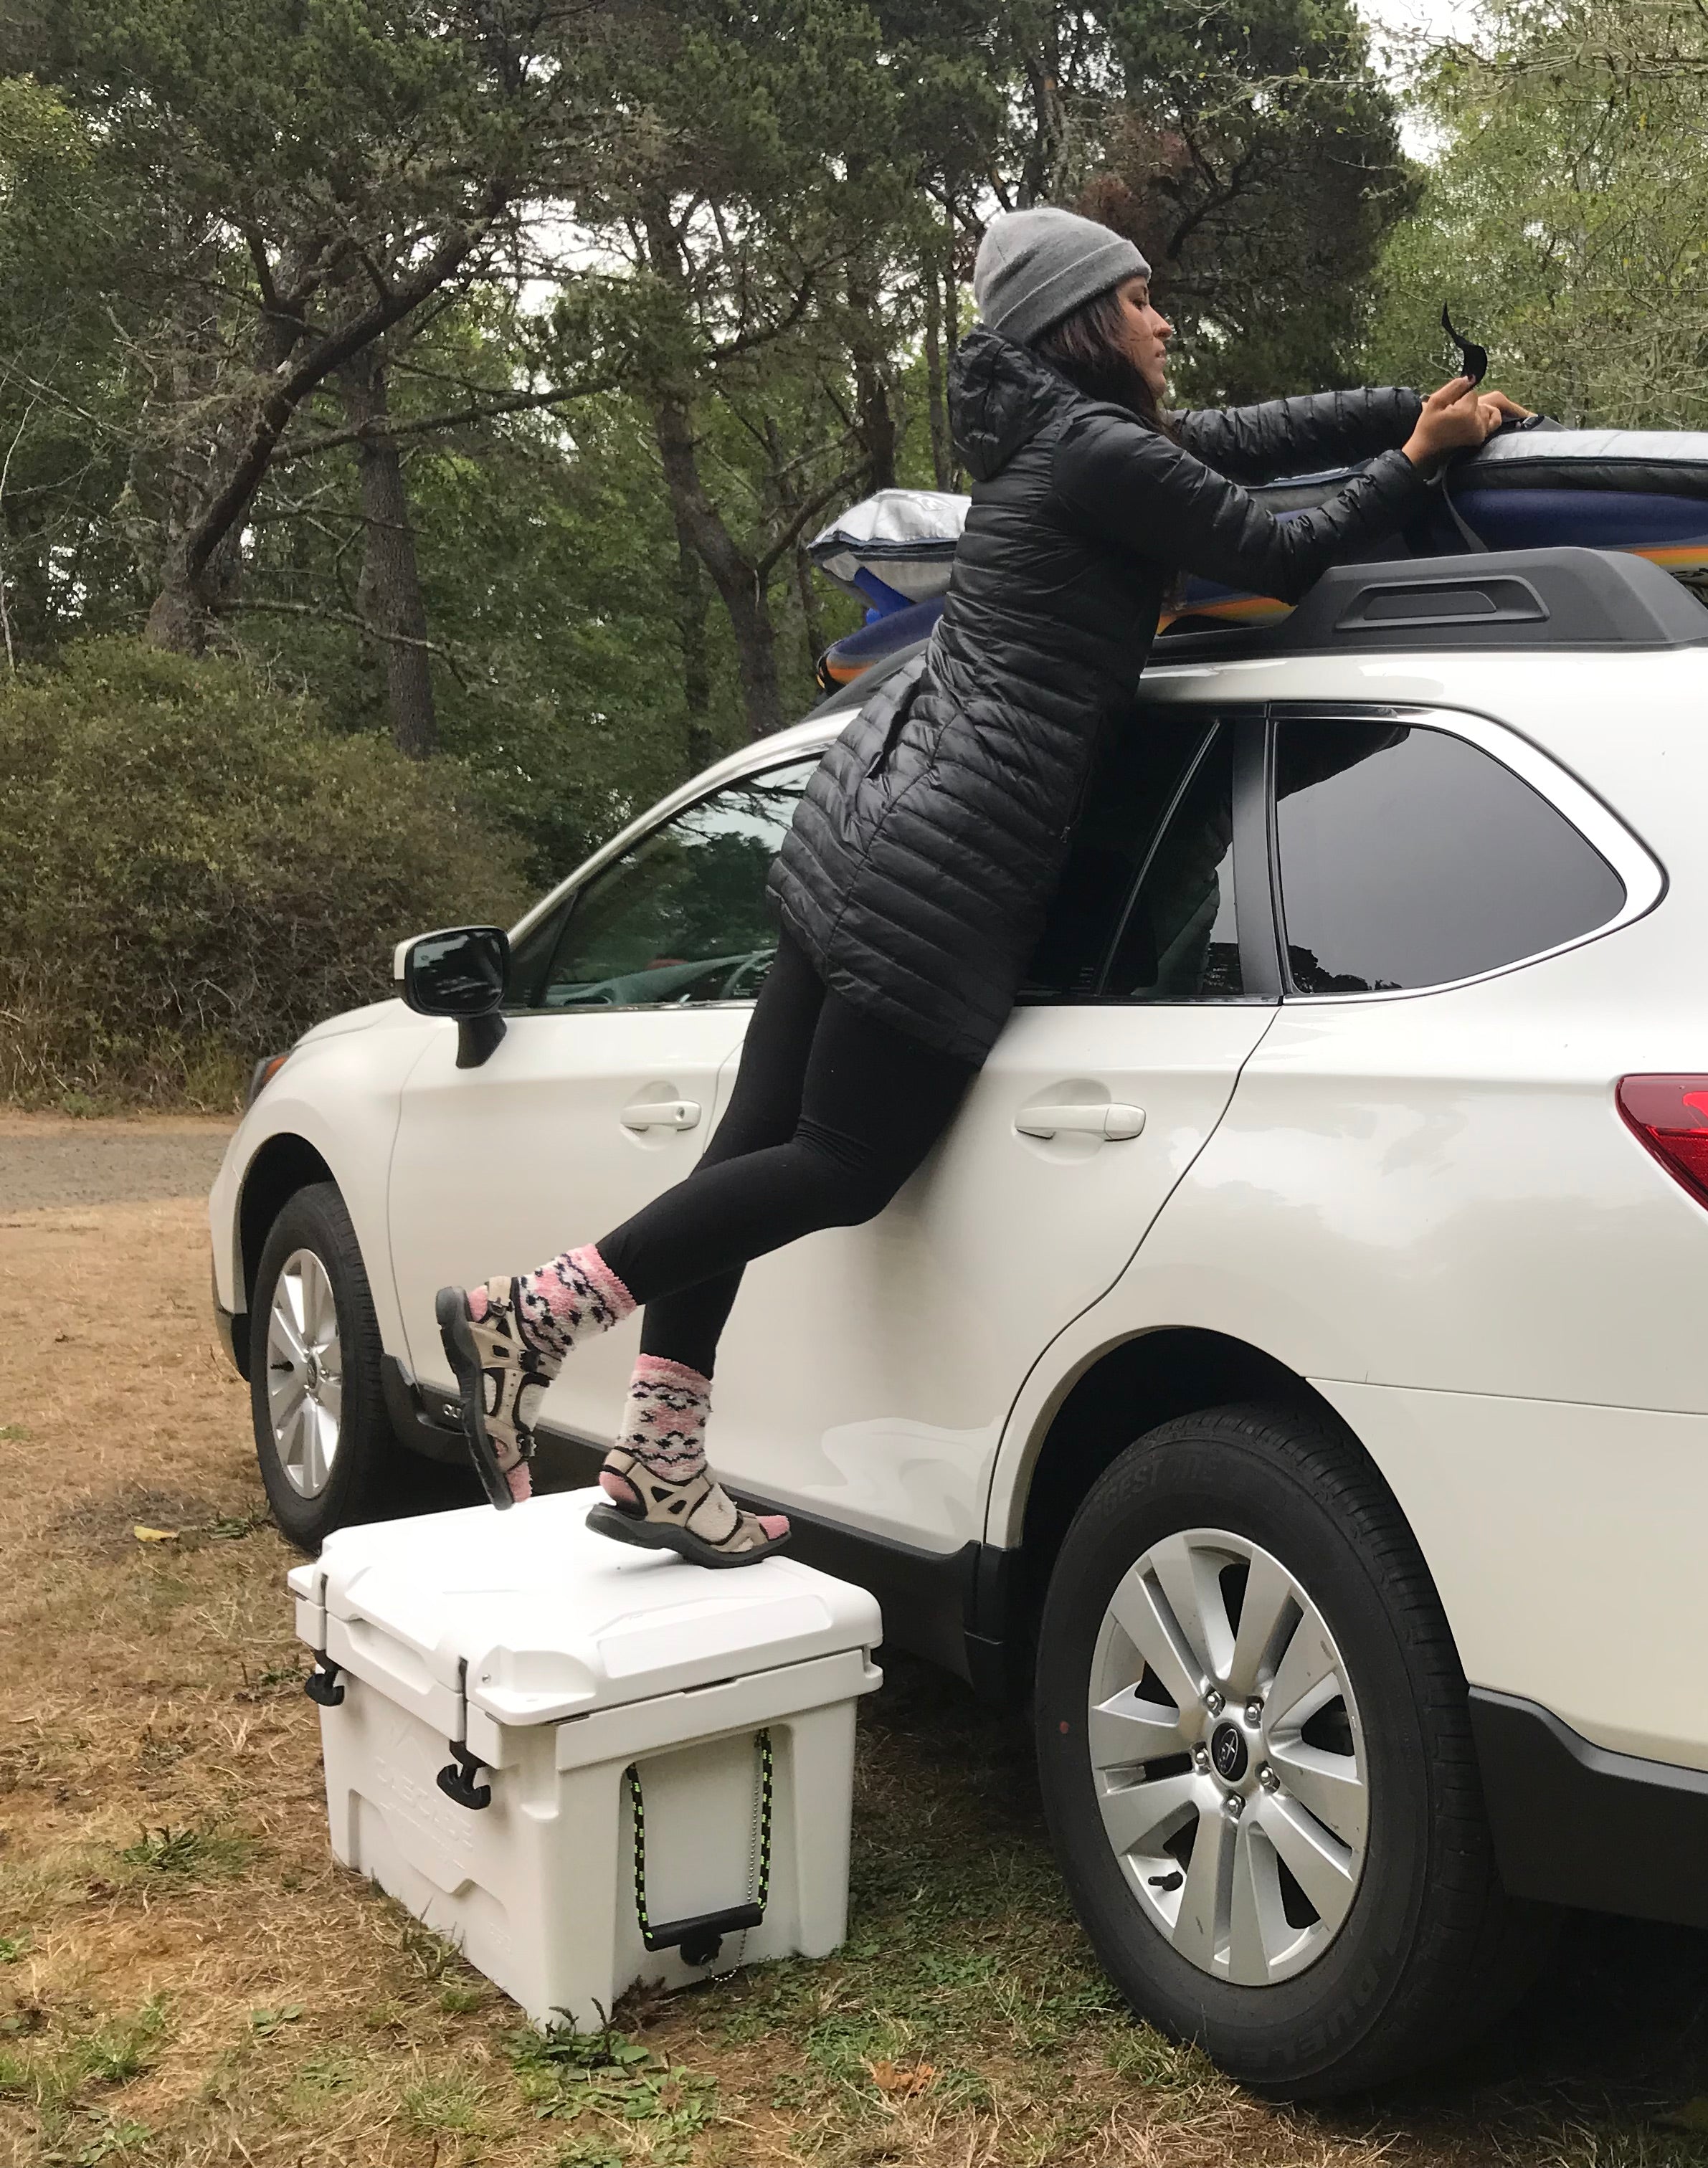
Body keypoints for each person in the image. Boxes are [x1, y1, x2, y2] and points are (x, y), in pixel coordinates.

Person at [437, 206, 1524, 1566]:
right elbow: (1274, 545)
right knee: (839, 1162)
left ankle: (657, 1462)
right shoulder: (1101, 453)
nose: (1163, 320)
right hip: (954, 846)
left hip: (868, 808)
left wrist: (1398, 410)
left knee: (752, 1142)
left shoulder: (1069, 443)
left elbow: (1247, 442)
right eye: (1139, 301)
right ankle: (532, 1316)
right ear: (1082, 325)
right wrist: (1422, 460)